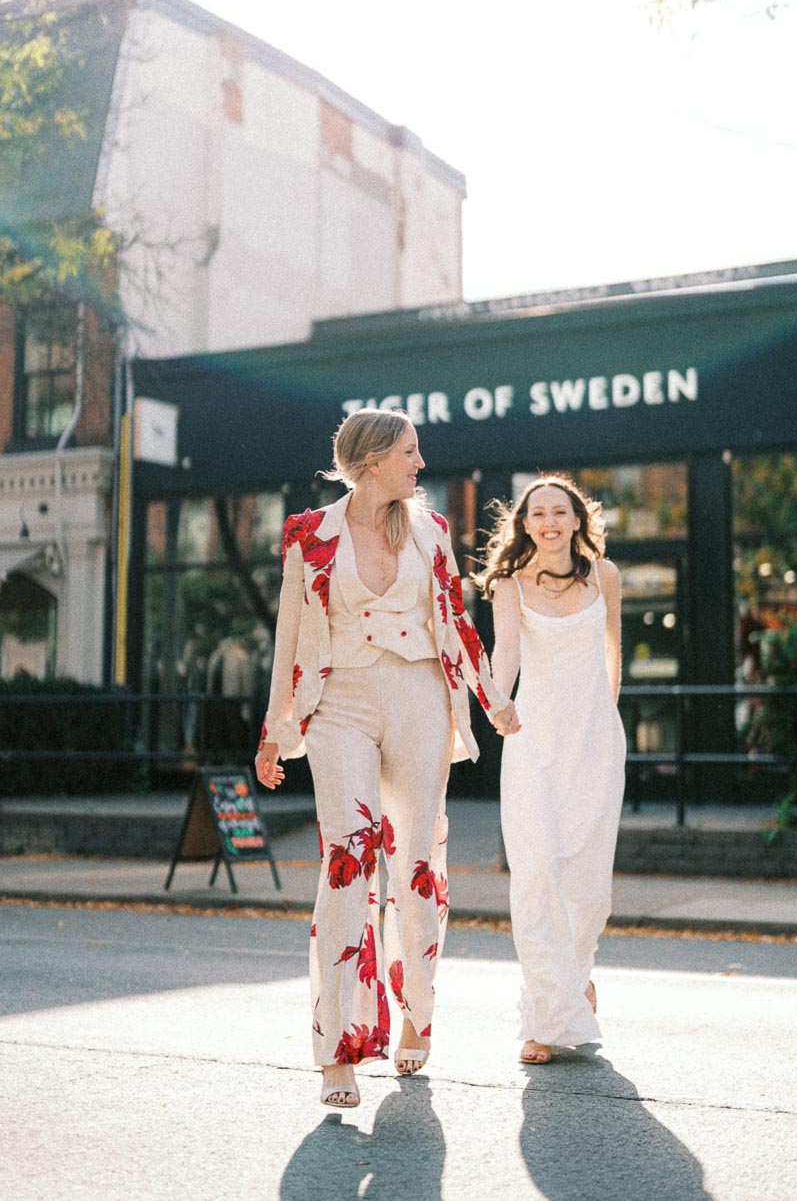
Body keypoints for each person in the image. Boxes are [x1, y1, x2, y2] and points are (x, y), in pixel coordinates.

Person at [255, 408, 517, 1108]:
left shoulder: (429, 532)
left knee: (415, 863)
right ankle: (337, 1048)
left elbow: (459, 620)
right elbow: (288, 633)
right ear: (372, 460)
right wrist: (276, 729)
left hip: (419, 699)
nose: (420, 462)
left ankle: (414, 1015)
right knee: (348, 859)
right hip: (340, 700)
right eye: (410, 450)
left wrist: (492, 699)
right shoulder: (309, 535)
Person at [473, 474, 625, 1065]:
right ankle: (545, 1013)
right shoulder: (509, 584)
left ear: (576, 520)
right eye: (538, 513)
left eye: (559, 511)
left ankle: (574, 979)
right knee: (536, 870)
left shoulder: (604, 577)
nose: (549, 521)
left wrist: (607, 723)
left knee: (585, 875)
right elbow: (504, 650)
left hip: (593, 742)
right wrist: (497, 699)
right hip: (534, 741)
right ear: (525, 523)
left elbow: (613, 653)